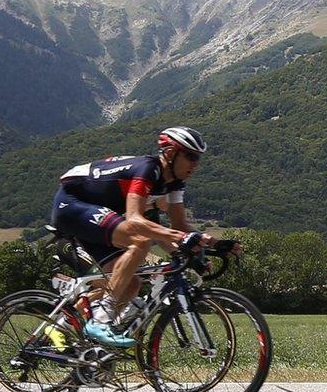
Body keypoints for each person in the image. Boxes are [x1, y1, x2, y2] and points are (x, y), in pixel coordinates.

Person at [49, 126, 208, 348]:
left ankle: (80, 340)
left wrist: (212, 245)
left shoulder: (173, 183)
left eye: (198, 157)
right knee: (139, 241)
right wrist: (181, 238)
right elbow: (135, 220)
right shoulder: (148, 170)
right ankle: (101, 321)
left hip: (94, 213)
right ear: (171, 153)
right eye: (191, 156)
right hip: (71, 205)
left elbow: (179, 225)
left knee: (132, 283)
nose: (196, 163)